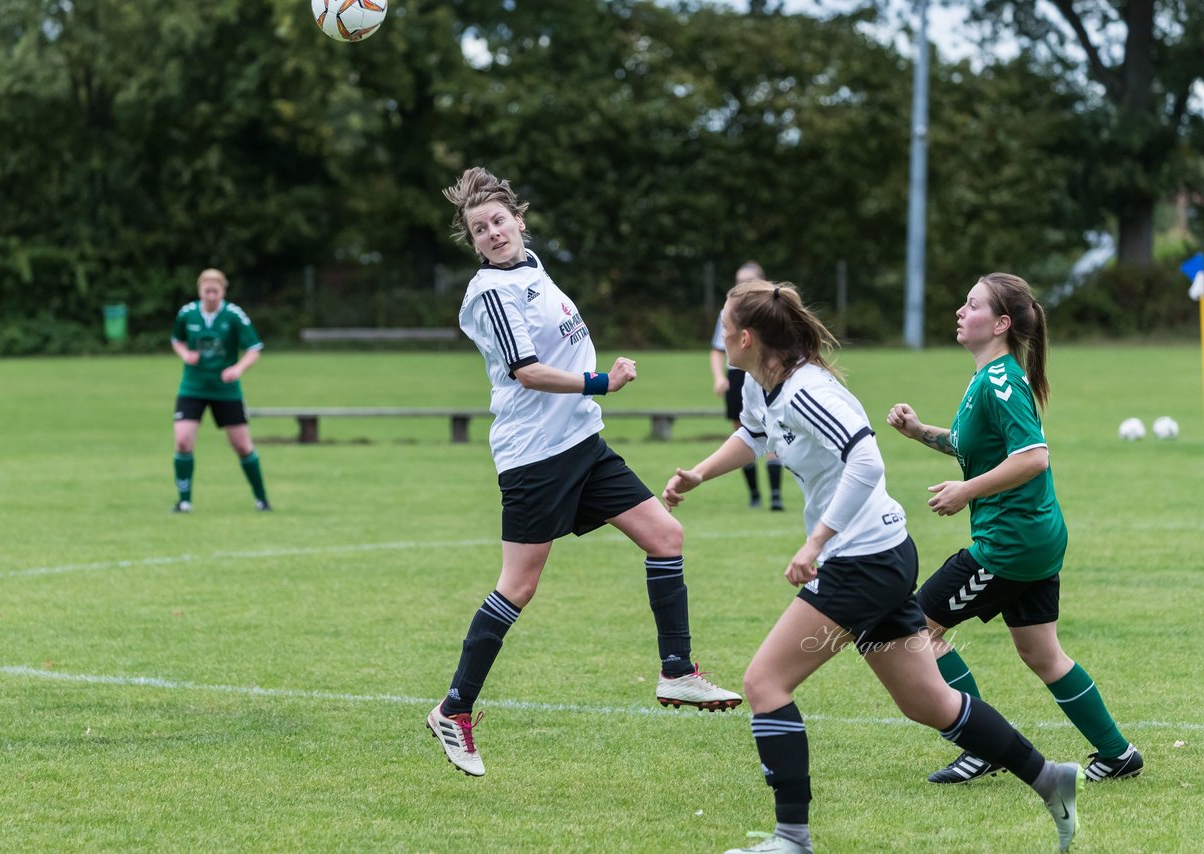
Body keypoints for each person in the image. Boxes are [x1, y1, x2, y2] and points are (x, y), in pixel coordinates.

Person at [664, 280, 1082, 854]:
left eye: (724, 326)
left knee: (765, 682)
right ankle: (1049, 777)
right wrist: (699, 473)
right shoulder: (766, 386)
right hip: (877, 556)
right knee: (928, 703)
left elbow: (866, 458)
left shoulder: (810, 390)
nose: (720, 336)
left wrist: (817, 541)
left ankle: (792, 839)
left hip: (864, 561)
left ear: (746, 337)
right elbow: (754, 435)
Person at [425, 167, 741, 778]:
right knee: (517, 586)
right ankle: (453, 710)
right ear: (473, 240)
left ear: (519, 219)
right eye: (478, 229)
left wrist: (593, 386)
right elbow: (527, 371)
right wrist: (602, 381)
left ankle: (677, 672)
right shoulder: (491, 290)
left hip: (581, 441)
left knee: (665, 536)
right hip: (535, 457)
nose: (491, 233)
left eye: (498, 220)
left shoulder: (532, 267)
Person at [886, 272, 1141, 785]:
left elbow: (1033, 458)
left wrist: (966, 491)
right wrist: (919, 432)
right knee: (1041, 652)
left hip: (1009, 544)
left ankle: (980, 746)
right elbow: (973, 444)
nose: (960, 310)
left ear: (1000, 323)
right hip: (1035, 538)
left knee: (918, 628)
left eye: (972, 304)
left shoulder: (1001, 381)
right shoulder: (989, 378)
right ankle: (1119, 755)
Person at [169, 268, 271, 513]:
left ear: (223, 291)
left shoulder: (234, 316)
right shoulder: (188, 314)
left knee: (242, 446)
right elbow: (177, 340)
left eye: (215, 291)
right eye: (207, 291)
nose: (211, 295)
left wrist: (238, 369)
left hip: (226, 390)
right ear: (200, 291)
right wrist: (186, 355)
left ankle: (261, 499)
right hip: (193, 387)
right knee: (183, 441)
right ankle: (184, 501)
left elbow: (254, 348)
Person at [711, 262, 783, 510]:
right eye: (739, 281)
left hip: (764, 375)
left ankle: (776, 496)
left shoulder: (772, 314)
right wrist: (719, 377)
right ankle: (754, 495)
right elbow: (717, 350)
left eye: (748, 281)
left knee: (773, 431)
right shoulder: (729, 314)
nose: (742, 286)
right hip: (738, 376)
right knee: (742, 432)